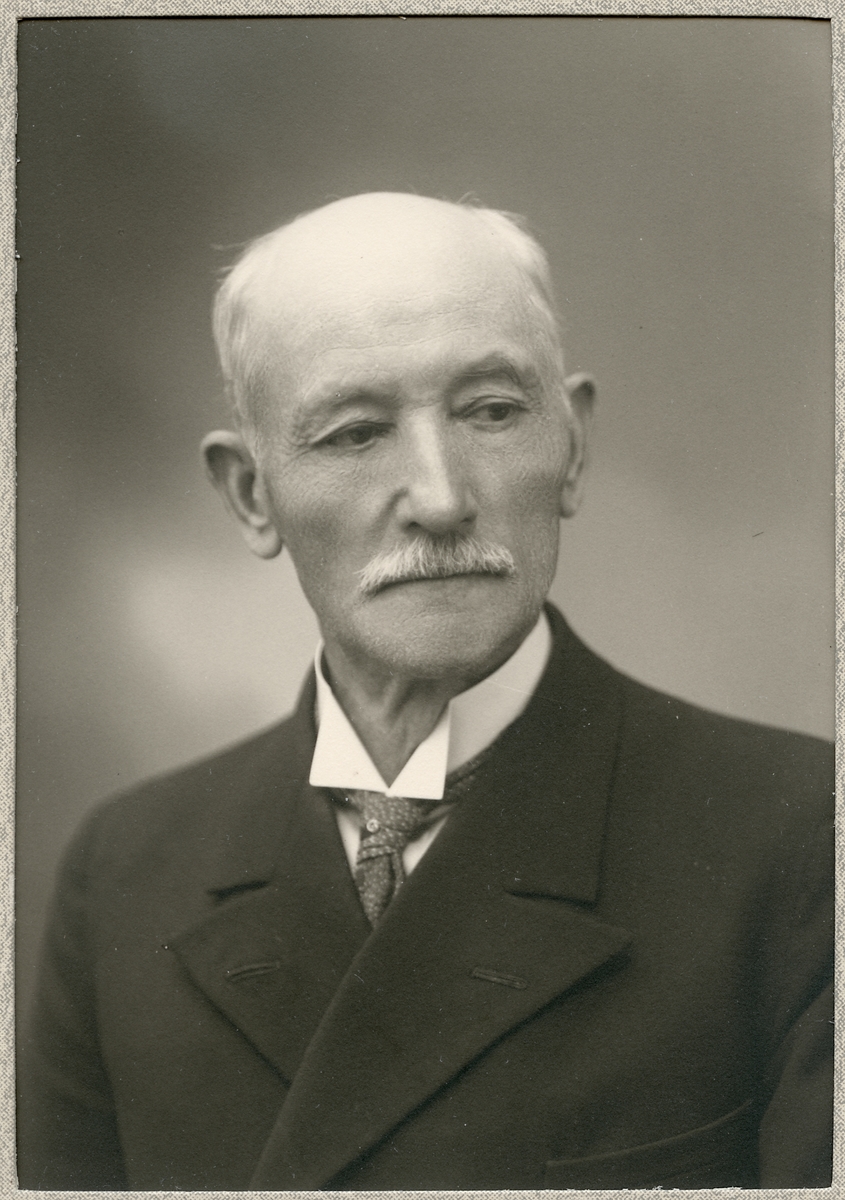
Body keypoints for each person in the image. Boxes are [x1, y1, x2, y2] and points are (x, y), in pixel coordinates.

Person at [18, 193, 833, 1191]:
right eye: (355, 433)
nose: (442, 499)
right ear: (249, 493)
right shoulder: (125, 871)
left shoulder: (802, 839)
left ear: (571, 444)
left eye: (491, 412)